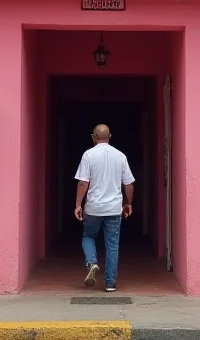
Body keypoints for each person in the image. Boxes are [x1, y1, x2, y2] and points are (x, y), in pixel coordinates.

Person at [74, 123, 135, 292]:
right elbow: (129, 184)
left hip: (93, 207)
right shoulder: (120, 156)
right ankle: (110, 283)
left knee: (88, 236)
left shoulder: (88, 155)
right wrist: (128, 203)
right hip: (114, 208)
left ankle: (92, 263)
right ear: (110, 136)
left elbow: (82, 183)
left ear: (93, 137)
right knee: (112, 244)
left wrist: (78, 204)